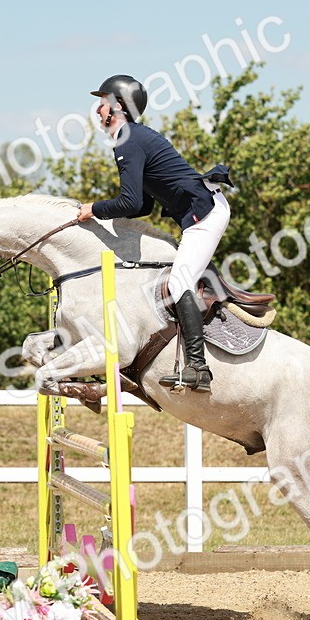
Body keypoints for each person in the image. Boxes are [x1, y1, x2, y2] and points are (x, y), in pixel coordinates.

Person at [76, 74, 232, 392]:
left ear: (119, 105)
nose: (97, 109)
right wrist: (104, 215)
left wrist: (95, 208)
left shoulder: (127, 139)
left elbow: (130, 201)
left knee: (179, 282)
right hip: (200, 213)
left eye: (102, 102)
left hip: (206, 214)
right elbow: (142, 205)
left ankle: (198, 368)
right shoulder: (132, 138)